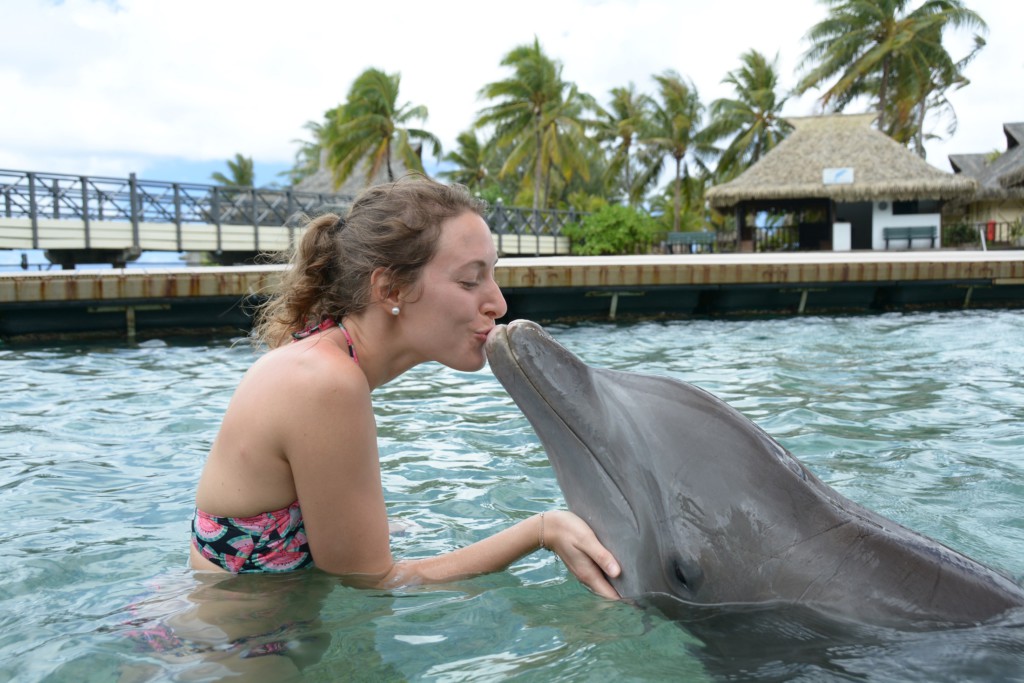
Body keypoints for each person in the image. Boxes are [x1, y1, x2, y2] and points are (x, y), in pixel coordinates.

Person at [190, 177, 621, 599]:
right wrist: (541, 530)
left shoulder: (324, 361)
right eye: (470, 281)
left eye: (492, 276)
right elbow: (374, 583)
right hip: (230, 659)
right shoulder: (324, 383)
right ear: (390, 288)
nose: (498, 303)